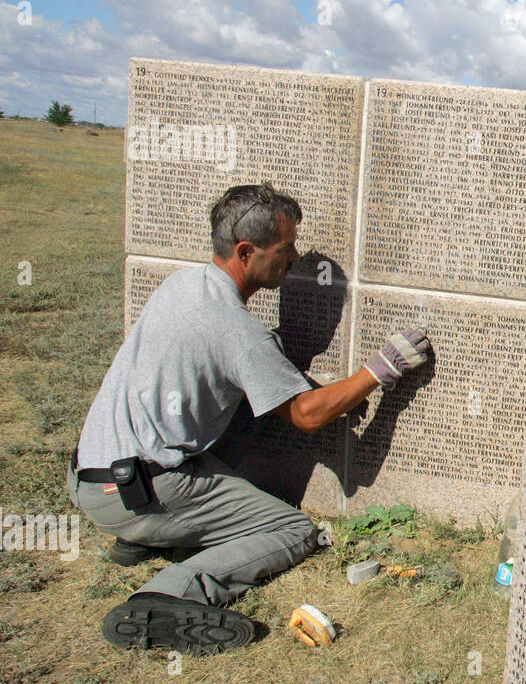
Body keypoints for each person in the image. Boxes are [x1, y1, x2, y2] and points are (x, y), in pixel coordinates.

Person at [68, 182, 430, 655]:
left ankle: (140, 537)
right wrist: (378, 371)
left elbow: (255, 382)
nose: (296, 257)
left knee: (245, 407)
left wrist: (299, 382)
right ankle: (166, 595)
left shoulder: (183, 285)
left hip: (93, 477)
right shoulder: (239, 333)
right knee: (294, 531)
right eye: (285, 248)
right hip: (142, 490)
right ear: (245, 251)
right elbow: (305, 414)